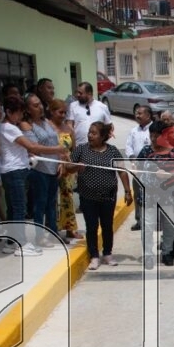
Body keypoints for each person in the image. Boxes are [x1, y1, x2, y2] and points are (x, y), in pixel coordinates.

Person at [0, 96, 69, 256]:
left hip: (15, 170)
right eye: (18, 113)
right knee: (19, 209)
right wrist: (58, 149)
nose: (21, 116)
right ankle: (21, 244)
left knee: (14, 208)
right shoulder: (10, 128)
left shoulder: (9, 127)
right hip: (14, 171)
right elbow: (32, 146)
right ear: (8, 112)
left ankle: (11, 242)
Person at [69, 121, 131, 269]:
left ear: (103, 136)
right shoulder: (81, 150)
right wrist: (76, 167)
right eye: (89, 132)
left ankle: (108, 253)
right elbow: (67, 167)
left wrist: (128, 191)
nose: (90, 135)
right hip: (88, 196)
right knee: (91, 226)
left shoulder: (113, 151)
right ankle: (94, 256)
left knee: (107, 225)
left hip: (108, 196)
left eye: (94, 133)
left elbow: (122, 171)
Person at [138, 119, 174, 267]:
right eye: (152, 135)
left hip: (169, 196)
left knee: (170, 225)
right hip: (150, 196)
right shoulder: (145, 152)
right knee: (148, 225)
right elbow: (138, 172)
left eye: (157, 135)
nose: (154, 138)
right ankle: (148, 255)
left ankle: (167, 252)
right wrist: (154, 173)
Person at [24, 94, 61, 245]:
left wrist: (60, 162)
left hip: (54, 167)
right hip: (40, 170)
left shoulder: (47, 121)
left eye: (40, 104)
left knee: (52, 203)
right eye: (34, 105)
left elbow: (56, 140)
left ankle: (53, 231)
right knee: (40, 204)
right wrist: (56, 149)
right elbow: (35, 148)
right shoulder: (27, 125)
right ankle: (39, 237)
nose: (39, 107)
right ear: (27, 109)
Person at [47, 98, 79, 241]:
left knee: (67, 197)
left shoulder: (69, 129)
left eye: (65, 113)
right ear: (52, 111)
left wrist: (73, 167)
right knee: (51, 198)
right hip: (50, 166)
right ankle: (51, 228)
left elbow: (74, 149)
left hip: (67, 168)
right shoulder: (46, 127)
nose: (63, 115)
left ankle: (70, 228)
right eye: (60, 112)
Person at [125, 105, 153, 231]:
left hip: (151, 169)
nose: (137, 115)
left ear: (148, 115)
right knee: (138, 194)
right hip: (137, 168)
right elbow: (128, 146)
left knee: (151, 195)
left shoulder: (153, 130)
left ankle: (153, 222)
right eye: (136, 113)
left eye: (140, 113)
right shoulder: (134, 131)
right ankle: (139, 221)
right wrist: (132, 158)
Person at [66, 81, 111, 148]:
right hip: (79, 147)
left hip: (98, 148)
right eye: (77, 92)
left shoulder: (102, 107)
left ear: (89, 94)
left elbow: (108, 126)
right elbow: (69, 126)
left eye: (80, 93)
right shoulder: (73, 106)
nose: (77, 95)